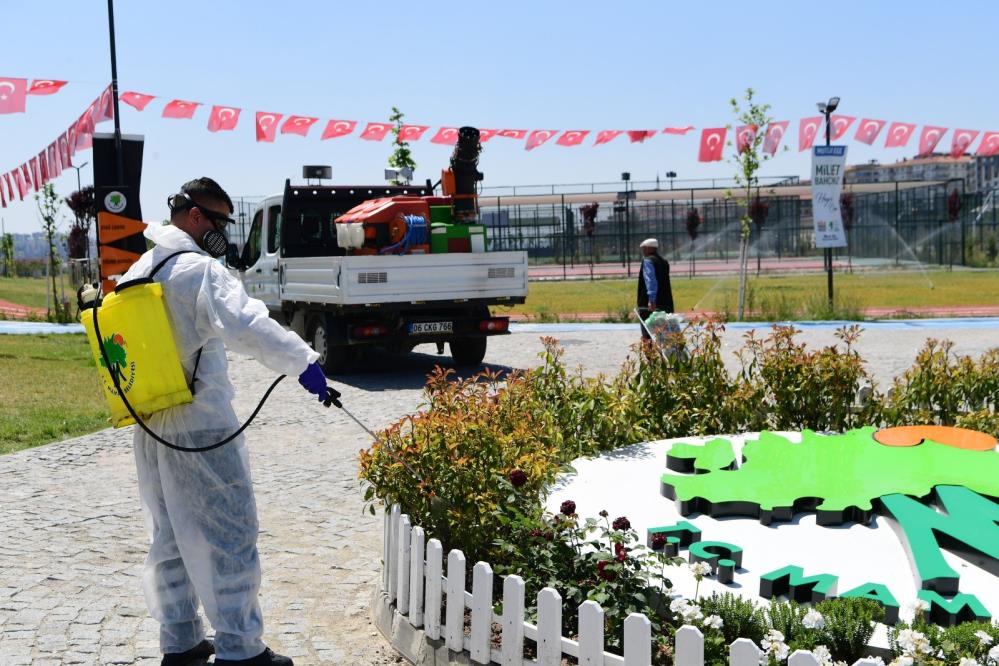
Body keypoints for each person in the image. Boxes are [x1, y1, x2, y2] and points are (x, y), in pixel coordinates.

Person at [118, 178, 330, 666]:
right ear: (194, 217)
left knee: (169, 535)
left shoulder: (139, 269)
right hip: (203, 426)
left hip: (151, 427)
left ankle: (181, 641)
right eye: (218, 222)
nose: (223, 233)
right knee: (229, 534)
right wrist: (302, 361)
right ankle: (240, 649)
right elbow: (248, 324)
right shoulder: (197, 271)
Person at [636, 238, 674, 339]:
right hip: (666, 303)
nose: (642, 251)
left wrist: (651, 300)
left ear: (649, 248)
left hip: (650, 305)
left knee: (647, 334)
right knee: (665, 335)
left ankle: (650, 354)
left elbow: (650, 281)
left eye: (643, 248)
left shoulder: (648, 260)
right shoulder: (664, 262)